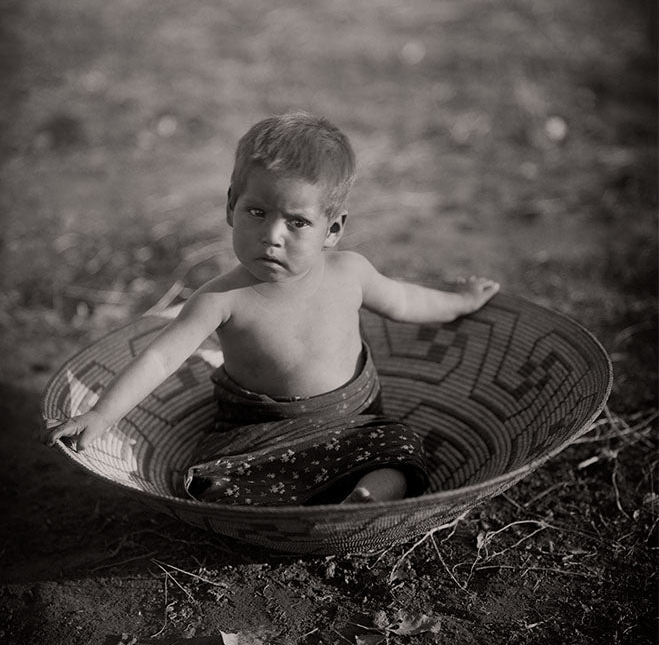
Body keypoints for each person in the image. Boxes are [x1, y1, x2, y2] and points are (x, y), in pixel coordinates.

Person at [46, 113, 499, 504]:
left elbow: (405, 301)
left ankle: (362, 501)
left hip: (353, 428)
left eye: (297, 222)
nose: (273, 235)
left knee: (399, 447)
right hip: (259, 439)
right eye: (257, 213)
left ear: (333, 229)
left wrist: (459, 301)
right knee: (214, 479)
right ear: (230, 206)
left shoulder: (350, 273)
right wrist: (103, 415)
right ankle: (300, 504)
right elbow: (160, 357)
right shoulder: (220, 299)